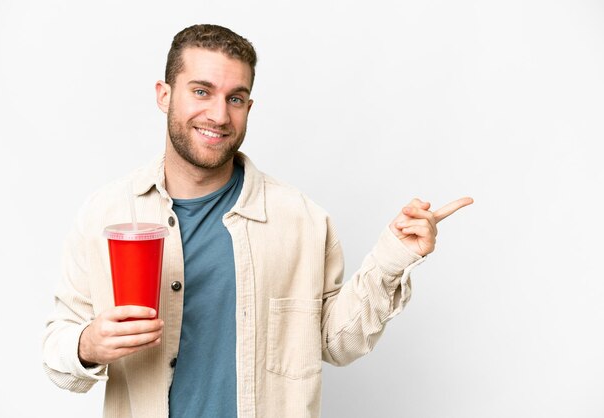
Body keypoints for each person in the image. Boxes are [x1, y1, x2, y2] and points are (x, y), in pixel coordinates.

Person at [42, 24, 473, 418]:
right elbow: (57, 352)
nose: (218, 115)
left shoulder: (301, 220)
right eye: (201, 91)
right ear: (164, 94)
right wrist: (88, 345)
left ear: (249, 105)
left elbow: (336, 343)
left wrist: (392, 258)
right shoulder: (107, 214)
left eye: (235, 98)